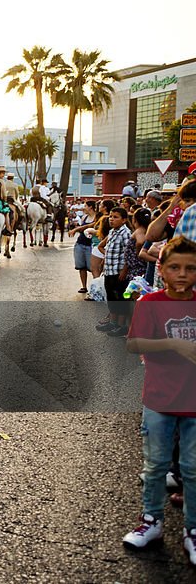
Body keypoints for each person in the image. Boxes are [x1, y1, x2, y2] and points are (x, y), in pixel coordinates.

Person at [121, 236, 196, 561]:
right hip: (159, 399)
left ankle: (192, 530)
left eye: (190, 268)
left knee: (192, 469)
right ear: (161, 270)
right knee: (155, 467)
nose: (182, 274)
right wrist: (174, 345)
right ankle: (151, 520)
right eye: (175, 267)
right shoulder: (149, 304)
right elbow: (134, 344)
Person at [97, 206, 133, 338]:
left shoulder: (126, 233)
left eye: (115, 217)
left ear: (124, 220)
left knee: (120, 299)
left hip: (119, 272)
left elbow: (129, 254)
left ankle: (121, 326)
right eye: (111, 216)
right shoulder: (112, 232)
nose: (111, 219)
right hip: (109, 271)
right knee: (111, 298)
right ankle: (113, 322)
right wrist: (103, 261)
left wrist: (124, 270)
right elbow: (106, 248)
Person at [68, 201, 99, 294]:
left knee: (94, 268)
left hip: (91, 245)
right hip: (80, 243)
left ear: (91, 207)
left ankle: (95, 289)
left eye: (85, 206)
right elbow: (83, 228)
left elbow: (89, 226)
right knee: (81, 267)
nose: (84, 207)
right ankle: (84, 286)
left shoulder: (97, 217)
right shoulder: (84, 217)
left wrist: (76, 229)